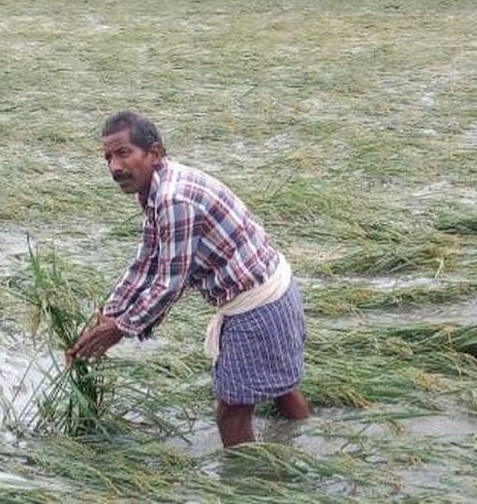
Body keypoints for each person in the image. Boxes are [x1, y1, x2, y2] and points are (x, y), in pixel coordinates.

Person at [68, 111, 310, 447]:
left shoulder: (172, 199)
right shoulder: (157, 190)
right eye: (108, 157)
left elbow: (169, 282)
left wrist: (120, 328)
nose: (115, 168)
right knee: (282, 387)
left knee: (231, 412)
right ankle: (305, 445)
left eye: (124, 153)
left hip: (259, 308)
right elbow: (146, 262)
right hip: (277, 290)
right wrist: (109, 314)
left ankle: (250, 486)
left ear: (155, 152)